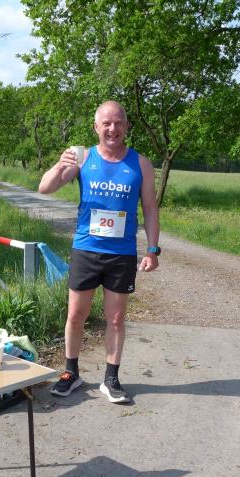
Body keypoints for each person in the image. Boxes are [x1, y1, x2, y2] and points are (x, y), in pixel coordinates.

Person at [38, 100, 161, 403]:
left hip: (121, 253)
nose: (112, 128)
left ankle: (111, 379)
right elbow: (45, 188)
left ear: (127, 126)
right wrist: (60, 164)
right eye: (106, 123)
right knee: (75, 314)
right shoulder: (83, 158)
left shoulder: (141, 163)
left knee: (116, 319)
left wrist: (152, 249)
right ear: (96, 127)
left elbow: (150, 208)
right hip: (86, 248)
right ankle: (71, 373)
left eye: (118, 123)